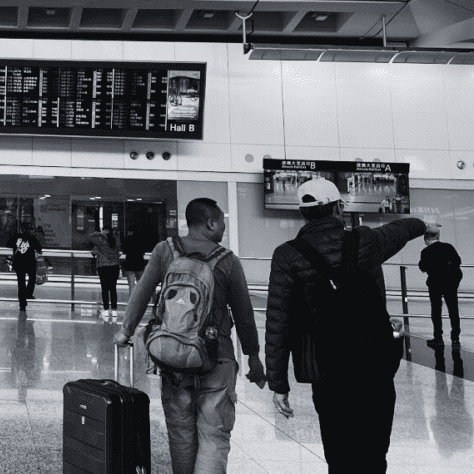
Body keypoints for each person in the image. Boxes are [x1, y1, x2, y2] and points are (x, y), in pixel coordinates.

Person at [264, 177, 431, 474]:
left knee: (339, 455)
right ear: (338, 210)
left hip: (326, 370)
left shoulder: (287, 255)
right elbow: (404, 228)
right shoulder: (366, 240)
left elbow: (279, 322)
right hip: (374, 365)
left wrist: (279, 384)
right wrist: (424, 227)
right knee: (374, 454)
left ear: (304, 214)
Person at [114, 198, 265, 474]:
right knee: (214, 436)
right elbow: (244, 314)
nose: (222, 229)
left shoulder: (165, 250)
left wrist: (125, 331)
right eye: (221, 223)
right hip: (217, 360)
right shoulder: (227, 260)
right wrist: (253, 357)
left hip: (174, 359)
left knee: (181, 435)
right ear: (210, 223)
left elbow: (142, 292)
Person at [420, 230, 463, 349]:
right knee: (453, 310)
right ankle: (455, 339)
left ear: (426, 240)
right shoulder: (449, 247)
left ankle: (438, 339)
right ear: (437, 237)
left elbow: (423, 267)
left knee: (436, 310)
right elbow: (458, 261)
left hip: (435, 284)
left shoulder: (426, 251)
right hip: (451, 283)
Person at [88, 226, 121, 321]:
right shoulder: (115, 239)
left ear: (105, 231)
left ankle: (106, 310)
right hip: (114, 266)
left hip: (103, 266)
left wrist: (98, 233)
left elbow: (90, 236)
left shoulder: (100, 240)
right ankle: (114, 310)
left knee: (104, 288)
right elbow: (118, 246)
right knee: (113, 288)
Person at [10, 222, 42, 312]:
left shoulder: (16, 237)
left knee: (21, 283)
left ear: (20, 230)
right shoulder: (31, 238)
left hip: (18, 263)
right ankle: (28, 293)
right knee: (32, 278)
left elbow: (7, 244)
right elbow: (39, 248)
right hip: (30, 263)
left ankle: (22, 303)